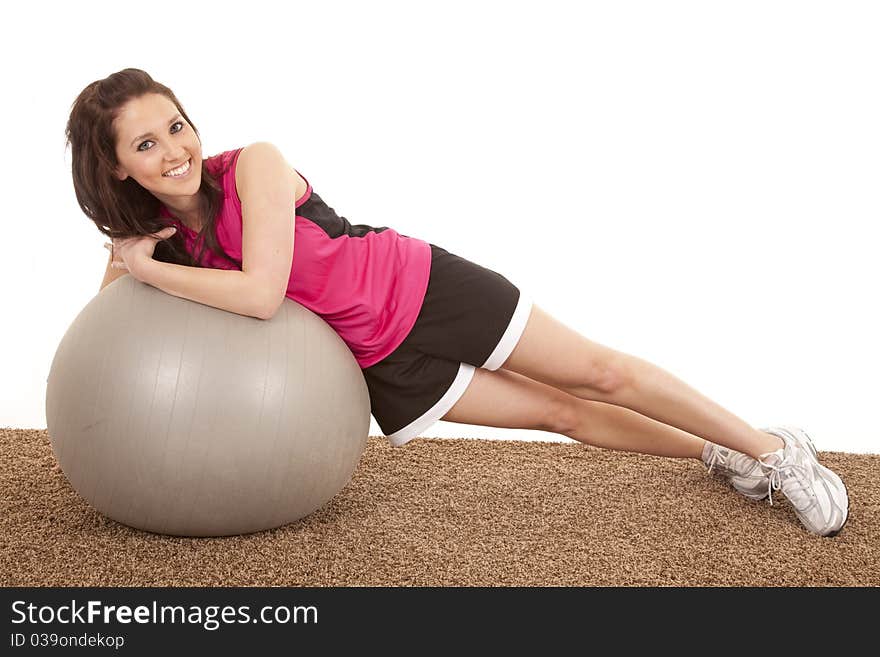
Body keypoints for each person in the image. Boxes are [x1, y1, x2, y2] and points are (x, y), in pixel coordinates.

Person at [64, 68, 849, 537]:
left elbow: (264, 293)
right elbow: (104, 350)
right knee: (558, 417)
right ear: (119, 170)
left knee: (598, 375)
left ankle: (776, 450)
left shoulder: (254, 167)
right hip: (377, 365)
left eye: (176, 125)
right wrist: (130, 259)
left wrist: (149, 268)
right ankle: (726, 453)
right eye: (146, 145)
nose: (175, 152)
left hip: (421, 288)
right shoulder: (161, 240)